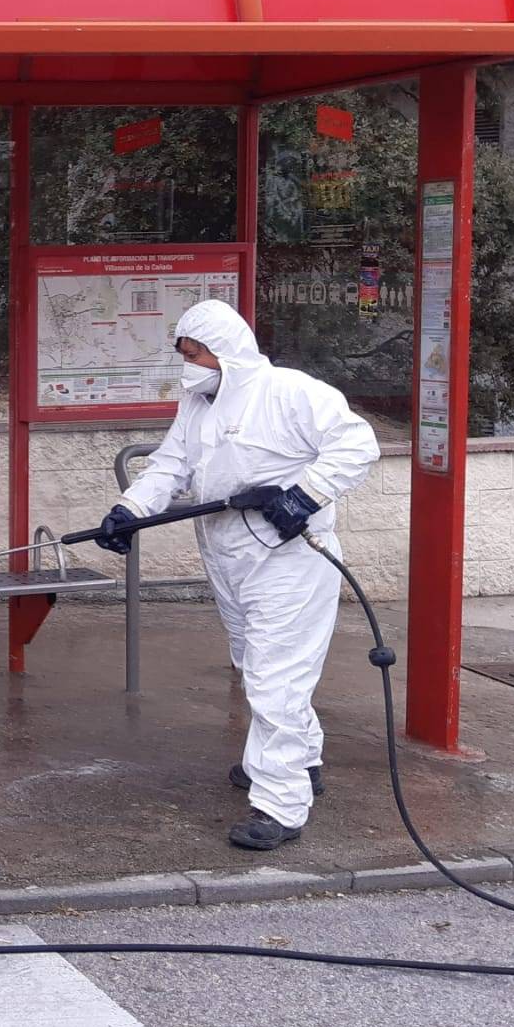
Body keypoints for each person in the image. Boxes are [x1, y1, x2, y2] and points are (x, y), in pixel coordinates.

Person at [96, 299, 380, 850]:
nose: (188, 364)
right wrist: (131, 509)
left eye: (195, 352)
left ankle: (280, 805)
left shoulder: (291, 392)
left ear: (225, 350)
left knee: (276, 679)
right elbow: (172, 465)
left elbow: (358, 444)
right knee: (258, 665)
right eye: (182, 353)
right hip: (228, 556)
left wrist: (304, 496)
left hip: (290, 558)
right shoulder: (199, 403)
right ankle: (301, 761)